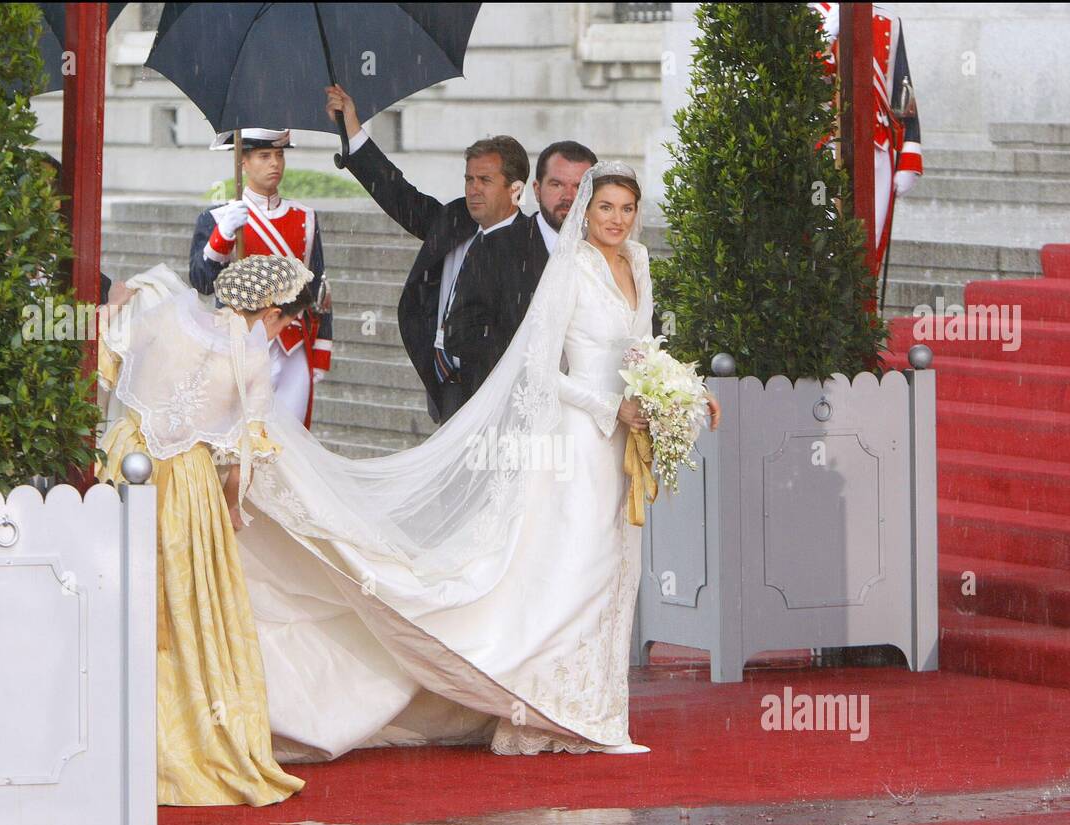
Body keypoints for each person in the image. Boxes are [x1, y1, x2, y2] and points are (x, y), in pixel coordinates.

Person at [228, 162, 721, 760]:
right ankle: (544, 705)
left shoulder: (639, 262)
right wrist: (610, 406)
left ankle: (591, 708)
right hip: (578, 437)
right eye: (605, 208)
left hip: (624, 440)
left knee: (612, 570)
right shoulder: (571, 266)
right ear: (585, 213)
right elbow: (541, 367)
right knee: (576, 572)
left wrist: (682, 390)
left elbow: (641, 348)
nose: (616, 220)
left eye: (626, 209)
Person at [96, 255, 310, 806]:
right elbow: (244, 458)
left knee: (116, 588)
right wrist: (234, 510)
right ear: (270, 310)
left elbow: (109, 358)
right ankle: (186, 733)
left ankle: (104, 728)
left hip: (128, 459)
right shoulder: (251, 356)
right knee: (185, 606)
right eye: (285, 320)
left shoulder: (169, 311)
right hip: (188, 483)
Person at [324, 83, 528, 424]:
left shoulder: (529, 243)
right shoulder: (455, 219)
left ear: (515, 189)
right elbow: (398, 195)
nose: (474, 189)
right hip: (445, 384)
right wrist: (352, 130)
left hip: (498, 394)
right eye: (469, 179)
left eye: (485, 180)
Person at [189, 128, 333, 429]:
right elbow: (201, 282)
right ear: (243, 161)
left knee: (290, 443)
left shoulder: (304, 217)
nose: (275, 164)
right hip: (239, 345)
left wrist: (320, 353)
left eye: (279, 155)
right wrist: (223, 236)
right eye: (264, 156)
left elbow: (318, 290)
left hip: (293, 345)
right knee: (241, 437)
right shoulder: (218, 218)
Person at [441, 140, 599, 398]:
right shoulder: (495, 246)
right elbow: (459, 333)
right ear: (537, 189)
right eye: (557, 184)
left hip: (588, 411)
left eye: (580, 186)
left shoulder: (606, 253)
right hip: (511, 408)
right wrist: (528, 360)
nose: (569, 196)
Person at [811, 2, 922, 260]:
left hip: (878, 147)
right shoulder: (812, 15)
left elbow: (903, 92)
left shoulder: (888, 20)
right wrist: (826, 35)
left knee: (867, 244)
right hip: (826, 146)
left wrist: (909, 157)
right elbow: (803, 83)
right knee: (824, 243)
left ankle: (864, 300)